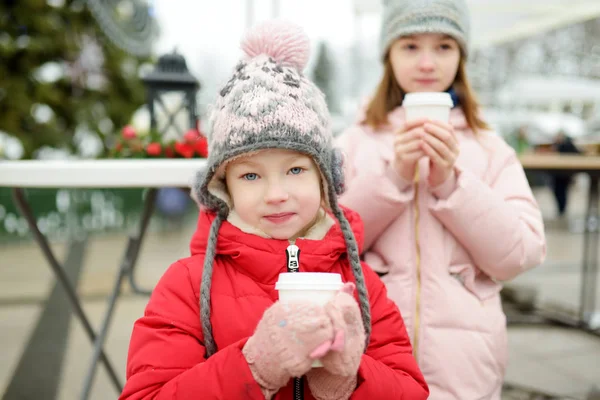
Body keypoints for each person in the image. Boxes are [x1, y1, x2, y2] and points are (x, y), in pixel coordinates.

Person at [119, 21, 428, 400]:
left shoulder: (363, 285)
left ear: (324, 179)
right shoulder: (186, 286)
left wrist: (350, 379)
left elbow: (410, 391)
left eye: (296, 170)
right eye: (250, 175)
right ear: (222, 187)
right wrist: (254, 367)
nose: (276, 194)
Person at [335, 1, 547, 399]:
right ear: (389, 54)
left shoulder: (490, 149)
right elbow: (322, 243)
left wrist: (452, 184)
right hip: (366, 358)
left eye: (445, 46)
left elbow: (520, 254)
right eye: (410, 46)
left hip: (466, 366)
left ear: (461, 55)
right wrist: (395, 175)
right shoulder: (352, 144)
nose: (428, 62)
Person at [551, 131, 581, 217]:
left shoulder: (567, 145)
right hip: (557, 174)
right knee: (558, 192)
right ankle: (561, 209)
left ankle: (562, 209)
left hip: (564, 174)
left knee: (562, 192)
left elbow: (578, 153)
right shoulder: (556, 145)